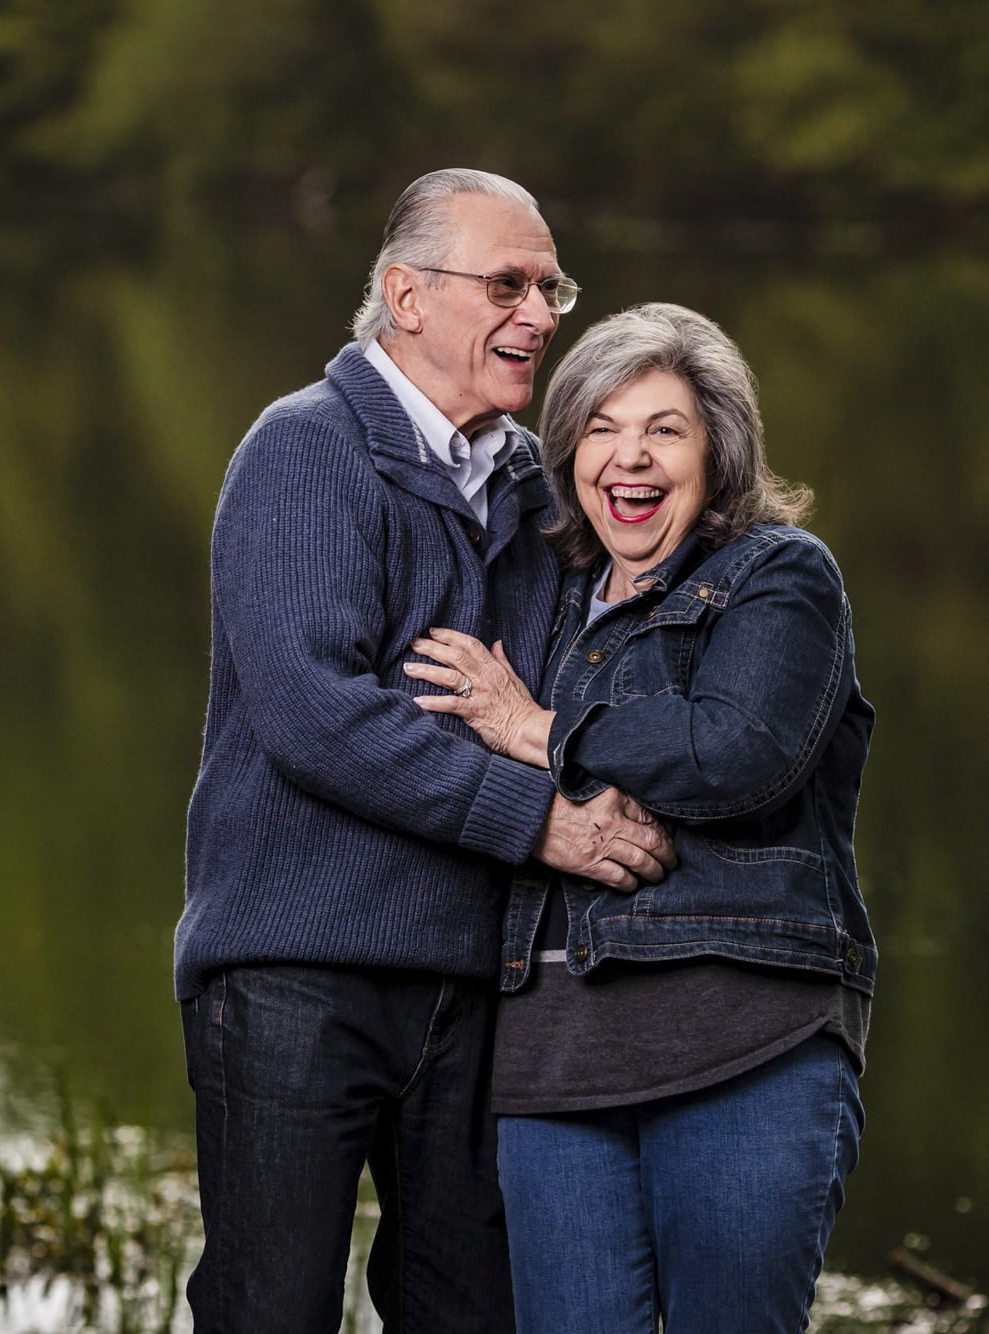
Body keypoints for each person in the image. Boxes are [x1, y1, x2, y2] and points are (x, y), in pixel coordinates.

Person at [176, 170, 676, 1333]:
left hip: (471, 980)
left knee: (467, 1311)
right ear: (404, 295)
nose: (543, 312)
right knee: (270, 1309)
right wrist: (542, 820)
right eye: (506, 282)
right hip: (294, 971)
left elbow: (583, 677)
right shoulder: (302, 450)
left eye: (550, 284)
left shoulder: (529, 488)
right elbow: (317, 716)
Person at [405, 302, 876, 1333]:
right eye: (601, 429)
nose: (630, 456)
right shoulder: (540, 600)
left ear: (716, 452)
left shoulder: (777, 575)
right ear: (569, 454)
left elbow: (732, 753)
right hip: (553, 1066)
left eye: (663, 429)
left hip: (744, 1040)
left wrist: (541, 730)